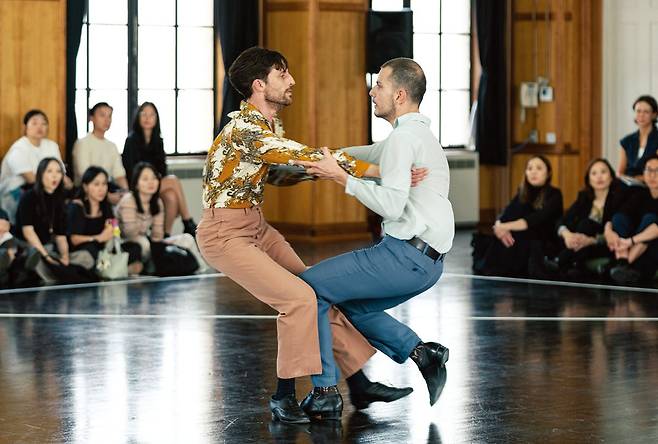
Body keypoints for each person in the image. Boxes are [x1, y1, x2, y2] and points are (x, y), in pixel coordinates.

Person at [196, 46, 411, 424]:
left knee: (316, 290)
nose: (292, 81)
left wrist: (313, 169)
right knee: (298, 299)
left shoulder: (266, 127)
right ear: (260, 85)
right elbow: (300, 155)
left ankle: (358, 384)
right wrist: (377, 171)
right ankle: (282, 396)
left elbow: (278, 174)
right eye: (283, 74)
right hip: (223, 233)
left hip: (255, 226)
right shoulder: (245, 128)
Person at [294, 58, 453, 420]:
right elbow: (357, 155)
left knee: (308, 290)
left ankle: (323, 392)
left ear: (399, 95)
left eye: (378, 85)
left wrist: (340, 178)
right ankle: (422, 354)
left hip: (404, 256)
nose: (371, 90)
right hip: (425, 263)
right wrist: (317, 161)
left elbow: (394, 206)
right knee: (349, 306)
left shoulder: (403, 140)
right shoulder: (415, 137)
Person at [473, 155, 563, 278]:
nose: (533, 172)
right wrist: (499, 227)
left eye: (539, 168)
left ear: (548, 173)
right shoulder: (523, 193)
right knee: (510, 222)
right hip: (523, 235)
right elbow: (506, 214)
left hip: (544, 239)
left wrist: (503, 226)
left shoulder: (555, 194)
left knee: (519, 231)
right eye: (529, 168)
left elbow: (534, 220)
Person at [117, 162, 205, 276]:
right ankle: (148, 269)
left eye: (154, 178)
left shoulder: (157, 202)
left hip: (148, 241)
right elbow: (130, 233)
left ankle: (203, 271)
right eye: (145, 179)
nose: (151, 182)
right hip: (128, 243)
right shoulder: (128, 201)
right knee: (144, 244)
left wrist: (163, 244)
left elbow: (157, 236)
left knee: (187, 239)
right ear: (136, 184)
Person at [122, 102, 197, 237]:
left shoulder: (158, 141)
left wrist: (155, 179)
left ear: (156, 119)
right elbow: (131, 171)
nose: (147, 118)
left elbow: (162, 170)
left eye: (151, 115)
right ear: (138, 117)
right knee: (173, 181)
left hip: (154, 184)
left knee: (172, 197)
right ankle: (187, 221)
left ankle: (164, 236)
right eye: (143, 114)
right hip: (137, 186)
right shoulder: (131, 140)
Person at [546, 158, 626, 280]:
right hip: (581, 245)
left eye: (603, 172)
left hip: (604, 245)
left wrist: (592, 240)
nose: (599, 177)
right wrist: (567, 235)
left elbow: (620, 231)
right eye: (594, 173)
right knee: (578, 227)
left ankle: (560, 260)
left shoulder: (619, 198)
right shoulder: (584, 197)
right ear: (589, 179)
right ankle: (575, 265)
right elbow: (562, 220)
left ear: (611, 176)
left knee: (586, 224)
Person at [0, 110, 72, 223]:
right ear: (25, 127)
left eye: (43, 123)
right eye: (34, 123)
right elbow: (31, 179)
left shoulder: (52, 146)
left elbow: (61, 174)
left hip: (44, 188)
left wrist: (67, 183)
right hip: (18, 192)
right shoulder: (19, 148)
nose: (39, 127)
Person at [67, 166, 140, 271]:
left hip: (104, 248)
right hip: (84, 249)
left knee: (135, 247)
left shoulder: (106, 206)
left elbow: (116, 231)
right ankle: (112, 269)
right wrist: (99, 237)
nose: (101, 189)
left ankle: (108, 268)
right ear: (85, 187)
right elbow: (74, 240)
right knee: (91, 250)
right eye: (96, 184)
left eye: (104, 184)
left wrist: (113, 230)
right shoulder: (77, 206)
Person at [13, 157, 70, 284]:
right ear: (41, 174)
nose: (55, 176)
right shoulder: (29, 197)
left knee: (72, 263)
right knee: (40, 261)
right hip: (27, 244)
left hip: (46, 246)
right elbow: (28, 232)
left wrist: (65, 257)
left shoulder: (60, 199)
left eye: (58, 172)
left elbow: (60, 235)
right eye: (49, 171)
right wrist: (46, 256)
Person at [605, 155, 658, 285]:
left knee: (650, 219)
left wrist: (630, 241)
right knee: (619, 218)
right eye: (648, 170)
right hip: (631, 244)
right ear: (643, 174)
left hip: (651, 245)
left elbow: (656, 228)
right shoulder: (638, 194)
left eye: (657, 170)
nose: (652, 175)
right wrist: (608, 231)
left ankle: (623, 263)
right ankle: (624, 266)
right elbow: (619, 215)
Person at [72, 102, 129, 204]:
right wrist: (106, 196)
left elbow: (119, 174)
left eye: (109, 116)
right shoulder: (82, 143)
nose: (107, 120)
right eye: (102, 115)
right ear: (92, 118)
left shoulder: (112, 146)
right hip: (85, 190)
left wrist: (127, 193)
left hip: (106, 187)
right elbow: (85, 175)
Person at [617, 95, 658, 181]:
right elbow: (620, 172)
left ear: (654, 115)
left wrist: (640, 178)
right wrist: (630, 179)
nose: (641, 115)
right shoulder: (627, 141)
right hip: (629, 185)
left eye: (646, 112)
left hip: (652, 186)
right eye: (638, 111)